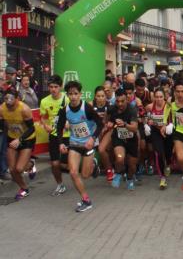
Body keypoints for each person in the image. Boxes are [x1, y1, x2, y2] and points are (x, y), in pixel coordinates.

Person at [56, 81, 102, 212]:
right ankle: (86, 200)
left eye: (76, 94)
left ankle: (93, 166)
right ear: (67, 95)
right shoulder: (65, 109)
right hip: (75, 143)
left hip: (88, 144)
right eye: (70, 94)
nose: (73, 97)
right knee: (73, 172)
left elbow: (100, 123)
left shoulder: (86, 108)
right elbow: (59, 127)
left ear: (80, 94)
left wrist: (93, 139)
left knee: (85, 175)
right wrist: (60, 143)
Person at [0, 88, 35, 200]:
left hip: (27, 138)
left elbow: (32, 128)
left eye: (11, 99)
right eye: (6, 99)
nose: (8, 102)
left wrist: (19, 139)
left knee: (19, 168)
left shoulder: (24, 109)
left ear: (17, 99)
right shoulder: (2, 109)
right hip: (12, 137)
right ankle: (24, 189)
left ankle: (30, 164)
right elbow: (3, 125)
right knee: (12, 169)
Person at [40, 75, 70, 196]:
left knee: (66, 164)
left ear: (61, 87)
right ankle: (60, 185)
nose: (53, 89)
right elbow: (42, 118)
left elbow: (74, 112)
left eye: (56, 87)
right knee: (54, 163)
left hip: (68, 134)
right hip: (54, 134)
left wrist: (68, 121)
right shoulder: (44, 101)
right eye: (51, 87)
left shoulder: (67, 99)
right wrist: (45, 125)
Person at [106, 89, 139, 190]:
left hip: (131, 139)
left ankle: (129, 179)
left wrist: (124, 124)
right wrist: (109, 124)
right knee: (120, 158)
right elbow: (106, 120)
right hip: (118, 138)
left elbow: (134, 128)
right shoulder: (112, 109)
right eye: (117, 101)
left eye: (122, 101)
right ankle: (118, 173)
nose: (120, 104)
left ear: (127, 100)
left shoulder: (132, 109)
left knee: (132, 166)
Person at [145, 88, 173, 190]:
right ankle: (162, 178)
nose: (159, 99)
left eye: (161, 97)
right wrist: (146, 125)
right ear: (154, 97)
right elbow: (145, 117)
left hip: (167, 132)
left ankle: (169, 164)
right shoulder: (149, 107)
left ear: (164, 97)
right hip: (156, 132)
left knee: (168, 152)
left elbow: (174, 118)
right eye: (156, 97)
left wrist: (171, 125)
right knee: (159, 153)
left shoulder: (168, 106)